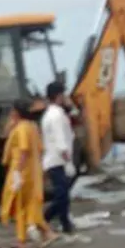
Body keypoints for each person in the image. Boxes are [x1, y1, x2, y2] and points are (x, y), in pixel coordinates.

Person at [0, 102, 53, 248]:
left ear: (16, 112)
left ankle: (24, 239)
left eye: (12, 112)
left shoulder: (22, 128)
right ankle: (43, 233)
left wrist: (18, 171)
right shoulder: (32, 127)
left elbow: (24, 150)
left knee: (19, 204)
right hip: (32, 172)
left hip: (22, 171)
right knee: (28, 205)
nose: (10, 115)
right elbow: (40, 149)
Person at [40, 82, 76, 235]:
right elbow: (61, 140)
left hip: (56, 159)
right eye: (64, 94)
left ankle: (65, 224)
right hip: (57, 160)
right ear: (59, 96)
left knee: (63, 195)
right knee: (62, 196)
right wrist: (67, 161)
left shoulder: (55, 113)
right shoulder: (55, 116)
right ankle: (42, 221)